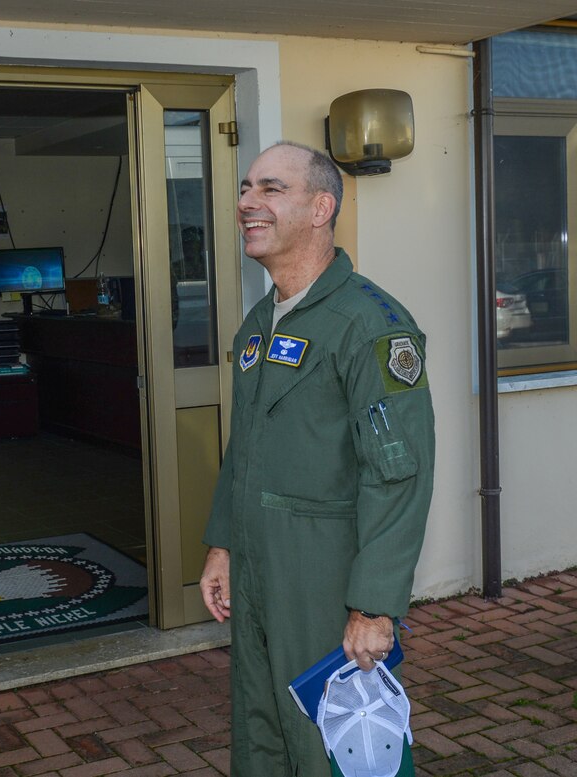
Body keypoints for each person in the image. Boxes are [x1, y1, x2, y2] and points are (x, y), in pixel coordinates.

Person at [199, 141, 434, 776]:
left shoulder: (370, 325)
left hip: (325, 576)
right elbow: (243, 445)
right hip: (256, 565)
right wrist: (223, 544)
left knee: (337, 738)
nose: (248, 202)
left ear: (321, 206)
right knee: (261, 725)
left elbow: (398, 473)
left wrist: (374, 605)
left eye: (270, 189)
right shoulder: (260, 321)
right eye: (246, 189)